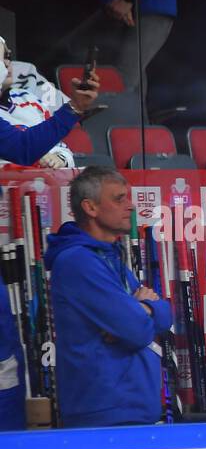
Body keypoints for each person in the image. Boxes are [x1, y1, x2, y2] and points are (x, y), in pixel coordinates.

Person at [42, 167, 173, 427]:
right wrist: (141, 312)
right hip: (104, 414)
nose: (131, 206)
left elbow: (165, 315)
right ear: (90, 208)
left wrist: (143, 309)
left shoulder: (110, 255)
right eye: (119, 199)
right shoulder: (78, 261)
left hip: (130, 410)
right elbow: (136, 330)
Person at [0, 60, 98, 167]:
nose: (6, 62)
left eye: (7, 56)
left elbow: (60, 148)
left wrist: (59, 158)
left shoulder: (27, 98)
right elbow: (23, 148)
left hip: (45, 180)